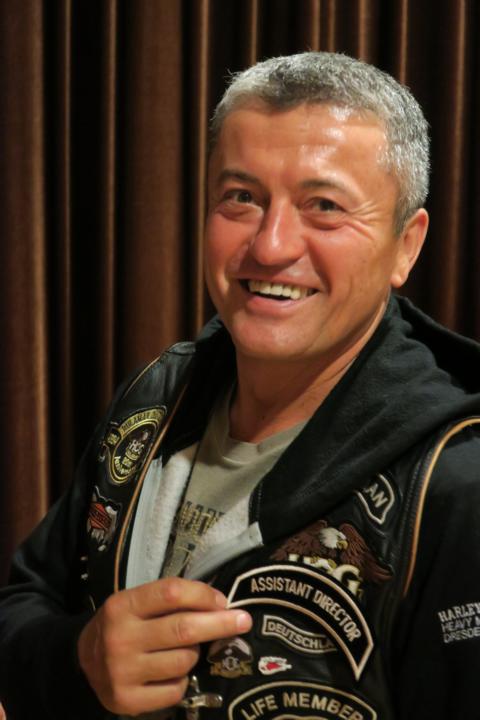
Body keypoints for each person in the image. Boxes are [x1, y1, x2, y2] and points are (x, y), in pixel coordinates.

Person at [1, 51, 480, 720]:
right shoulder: (155, 397)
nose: (271, 245)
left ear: (407, 245)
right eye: (242, 198)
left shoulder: (457, 486)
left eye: (324, 206)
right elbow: (24, 600)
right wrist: (79, 658)